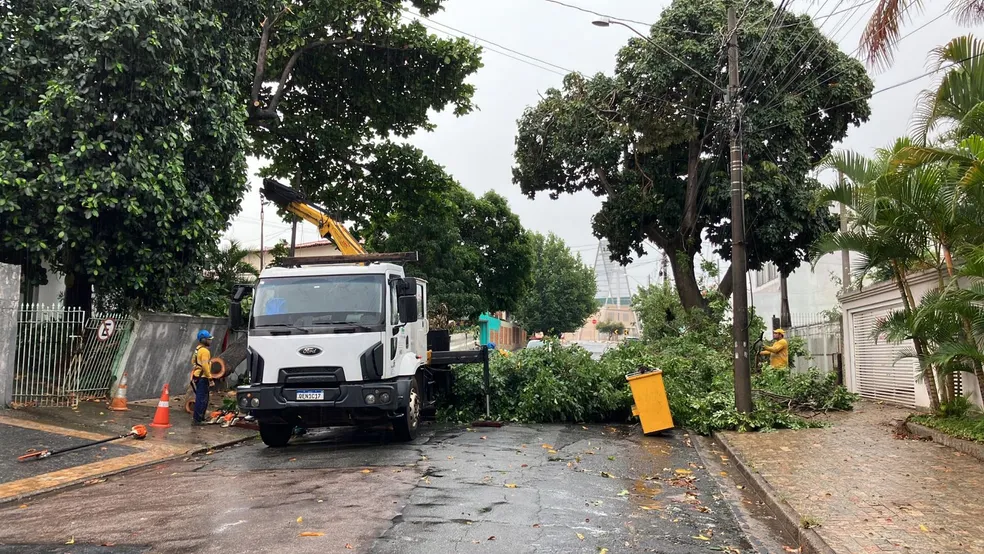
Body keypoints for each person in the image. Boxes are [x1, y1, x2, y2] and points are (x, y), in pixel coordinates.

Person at [191, 329, 214, 424]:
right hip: (203, 377)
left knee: (201, 397)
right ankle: (198, 419)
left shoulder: (198, 349)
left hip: (197, 376)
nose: (210, 341)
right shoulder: (204, 351)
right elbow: (205, 365)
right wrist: (210, 377)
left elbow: (193, 361)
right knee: (202, 399)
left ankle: (200, 418)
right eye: (209, 339)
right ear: (204, 340)